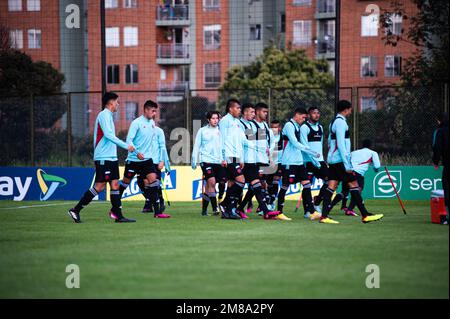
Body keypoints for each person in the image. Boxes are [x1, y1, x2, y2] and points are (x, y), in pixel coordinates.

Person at [67, 92, 136, 223]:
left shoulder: (109, 116)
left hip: (111, 158)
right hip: (103, 157)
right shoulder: (103, 115)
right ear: (111, 102)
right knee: (99, 187)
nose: (118, 104)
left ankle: (118, 215)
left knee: (115, 185)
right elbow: (109, 135)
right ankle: (75, 210)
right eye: (117, 102)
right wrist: (126, 146)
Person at [319, 100, 383, 224]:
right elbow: (341, 144)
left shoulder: (333, 122)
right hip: (340, 160)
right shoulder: (341, 123)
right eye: (350, 109)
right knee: (354, 185)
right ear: (346, 109)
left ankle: (324, 216)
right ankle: (365, 215)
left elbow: (329, 142)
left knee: (331, 186)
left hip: (333, 160)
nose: (351, 111)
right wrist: (347, 163)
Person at [236, 103, 279, 220]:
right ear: (258, 112)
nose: (266, 114)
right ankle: (265, 209)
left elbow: (269, 142)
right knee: (256, 184)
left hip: (262, 159)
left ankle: (240, 208)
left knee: (255, 186)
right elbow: (249, 143)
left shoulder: (264, 125)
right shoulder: (251, 125)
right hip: (252, 160)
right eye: (264, 112)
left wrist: (269, 155)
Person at [277, 107, 321, 220]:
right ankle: (279, 212)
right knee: (285, 186)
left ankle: (311, 212)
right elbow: (295, 143)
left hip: (299, 162)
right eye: (303, 117)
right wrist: (311, 151)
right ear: (296, 115)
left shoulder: (298, 126)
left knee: (307, 184)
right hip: (288, 162)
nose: (304, 119)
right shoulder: (289, 126)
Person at [328, 139, 380, 214]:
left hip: (348, 171)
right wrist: (375, 168)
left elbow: (347, 159)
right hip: (358, 173)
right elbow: (377, 166)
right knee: (358, 191)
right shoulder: (373, 153)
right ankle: (350, 209)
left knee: (344, 192)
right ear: (371, 146)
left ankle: (329, 207)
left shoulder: (354, 152)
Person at [138, 102, 172, 218]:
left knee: (153, 184)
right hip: (144, 160)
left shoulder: (159, 131)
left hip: (156, 161)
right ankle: (151, 201)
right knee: (142, 182)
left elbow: (162, 147)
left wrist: (162, 161)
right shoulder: (141, 128)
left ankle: (156, 203)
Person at [191, 111, 226, 216]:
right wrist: (194, 160)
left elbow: (224, 147)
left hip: (218, 162)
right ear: (208, 120)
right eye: (213, 118)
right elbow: (197, 145)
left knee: (214, 185)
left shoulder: (221, 131)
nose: (215, 120)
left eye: (217, 118)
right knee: (211, 182)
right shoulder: (202, 131)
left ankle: (204, 210)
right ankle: (215, 208)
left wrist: (224, 159)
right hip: (206, 160)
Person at [218, 99, 247, 219]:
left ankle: (229, 210)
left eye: (240, 108)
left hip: (236, 157)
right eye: (237, 108)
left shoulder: (238, 122)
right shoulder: (225, 121)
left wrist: (241, 158)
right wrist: (222, 157)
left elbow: (241, 141)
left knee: (233, 183)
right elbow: (221, 140)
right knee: (241, 181)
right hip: (228, 156)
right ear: (231, 109)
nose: (239, 110)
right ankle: (225, 204)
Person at [300, 106, 329, 217]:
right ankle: (307, 211)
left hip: (319, 160)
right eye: (314, 113)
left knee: (330, 180)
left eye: (318, 113)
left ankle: (317, 202)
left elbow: (320, 145)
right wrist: (313, 160)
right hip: (308, 161)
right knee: (307, 186)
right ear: (308, 115)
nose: (316, 115)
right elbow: (304, 146)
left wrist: (322, 160)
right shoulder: (304, 128)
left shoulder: (321, 128)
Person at [432, 112, 449, 225]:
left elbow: (437, 147)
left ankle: (446, 217)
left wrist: (436, 161)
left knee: (447, 188)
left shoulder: (440, 131)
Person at [266, 120, 283, 209]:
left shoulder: (283, 137)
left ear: (279, 128)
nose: (274, 129)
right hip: (269, 162)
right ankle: (269, 202)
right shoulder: (268, 136)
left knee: (276, 180)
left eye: (276, 127)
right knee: (269, 184)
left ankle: (272, 201)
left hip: (279, 163)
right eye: (272, 127)